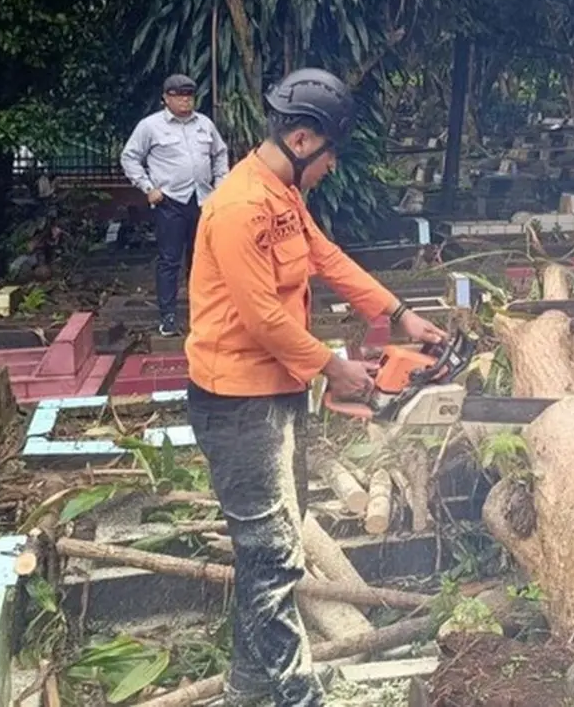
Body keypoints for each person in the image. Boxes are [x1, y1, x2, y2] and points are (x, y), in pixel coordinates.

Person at [184, 67, 447, 707]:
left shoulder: (281, 195)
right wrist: (336, 367)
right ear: (303, 140)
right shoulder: (240, 206)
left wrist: (398, 313)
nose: (332, 167)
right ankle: (302, 696)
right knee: (274, 556)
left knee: (273, 545)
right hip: (237, 402)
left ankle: (248, 688)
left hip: (274, 392)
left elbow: (327, 259)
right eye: (331, 154)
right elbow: (263, 318)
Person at [120, 74, 230, 337]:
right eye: (179, 96)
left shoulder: (204, 124)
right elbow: (130, 157)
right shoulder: (150, 126)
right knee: (170, 260)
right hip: (170, 201)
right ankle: (168, 316)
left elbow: (220, 154)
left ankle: (202, 313)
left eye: (189, 95)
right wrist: (148, 188)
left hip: (203, 201)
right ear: (166, 98)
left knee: (202, 260)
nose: (185, 100)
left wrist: (221, 186)